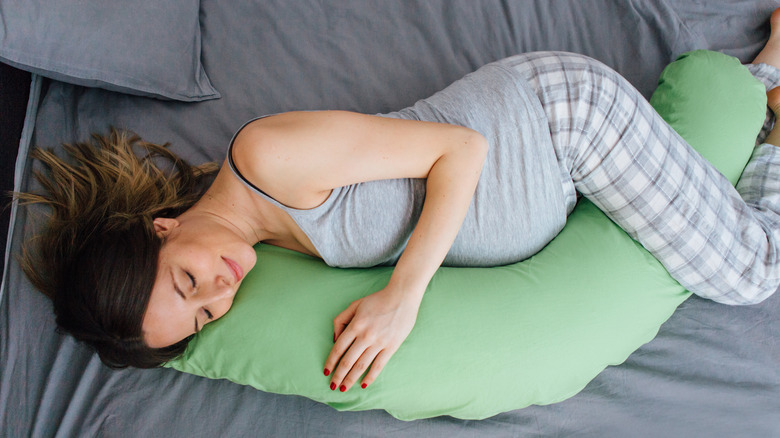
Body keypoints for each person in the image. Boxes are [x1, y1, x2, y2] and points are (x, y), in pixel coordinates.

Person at [19, 9, 780, 394]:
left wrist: (402, 297)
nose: (222, 289)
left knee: (753, 274)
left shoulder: (266, 158)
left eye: (188, 281)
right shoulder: (258, 240)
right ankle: (763, 78)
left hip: (565, 125)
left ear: (163, 226)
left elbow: (462, 150)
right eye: (207, 313)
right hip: (562, 167)